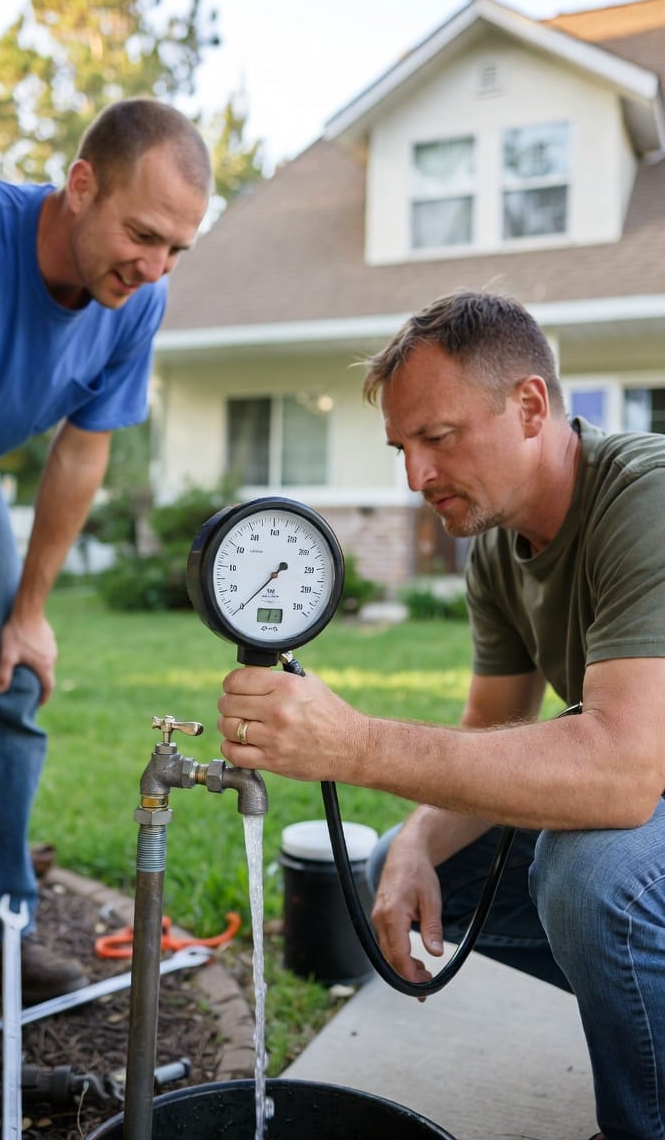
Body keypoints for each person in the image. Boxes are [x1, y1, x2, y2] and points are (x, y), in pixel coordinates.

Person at [217, 290, 665, 1140]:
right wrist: (418, 843)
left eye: (439, 438)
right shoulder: (499, 546)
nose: (416, 478)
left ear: (530, 406)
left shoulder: (646, 498)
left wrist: (354, 746)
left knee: (592, 876)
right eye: (401, 447)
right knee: (413, 868)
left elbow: (622, 773)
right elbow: (490, 740)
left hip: (642, 792)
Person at [0, 97, 212, 1099]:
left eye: (176, 249)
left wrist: (31, 610)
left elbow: (83, 448)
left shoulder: (136, 301)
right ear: (79, 185)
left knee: (8, 683)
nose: (154, 266)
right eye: (142, 234)